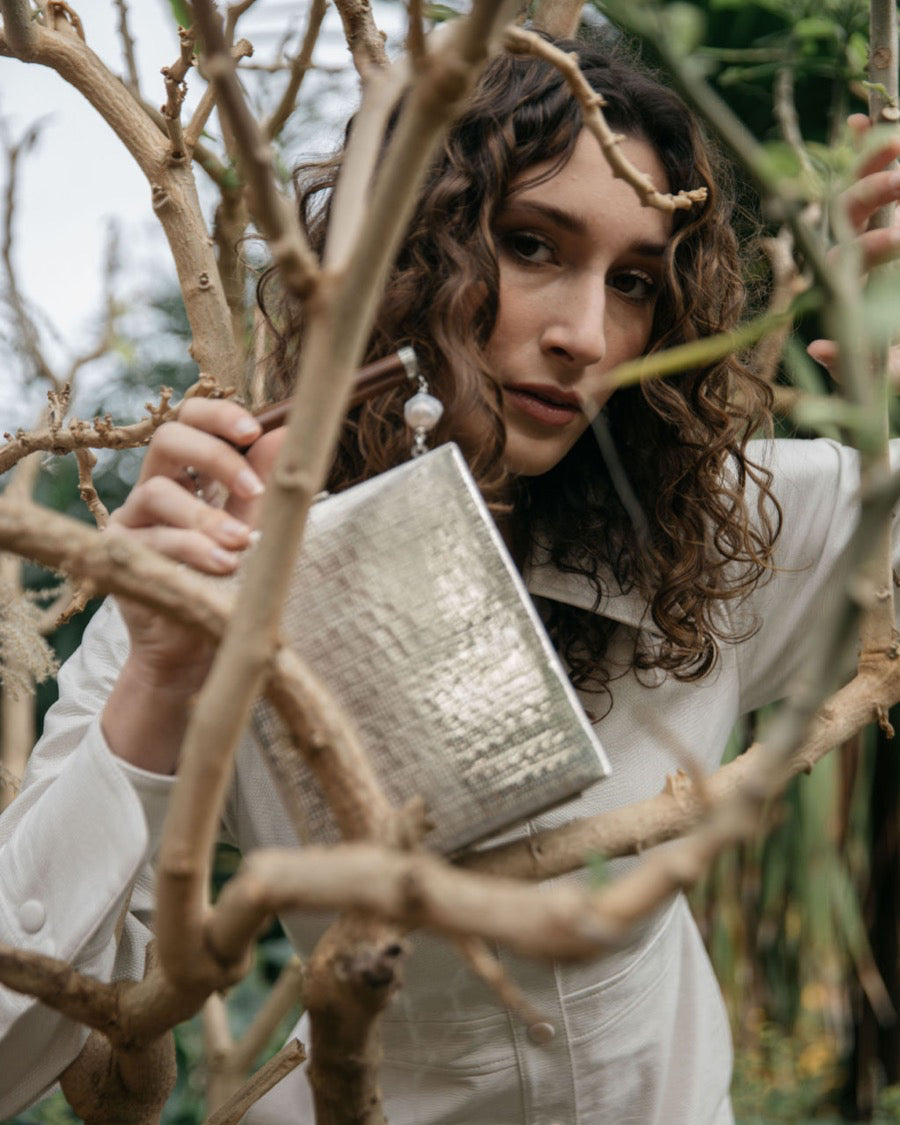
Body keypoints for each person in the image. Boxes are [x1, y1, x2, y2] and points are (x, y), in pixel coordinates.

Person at [2, 31, 900, 1125]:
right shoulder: (219, 566)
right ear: (403, 258)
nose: (585, 336)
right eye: (529, 245)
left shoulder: (725, 530)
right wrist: (157, 681)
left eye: (632, 283)